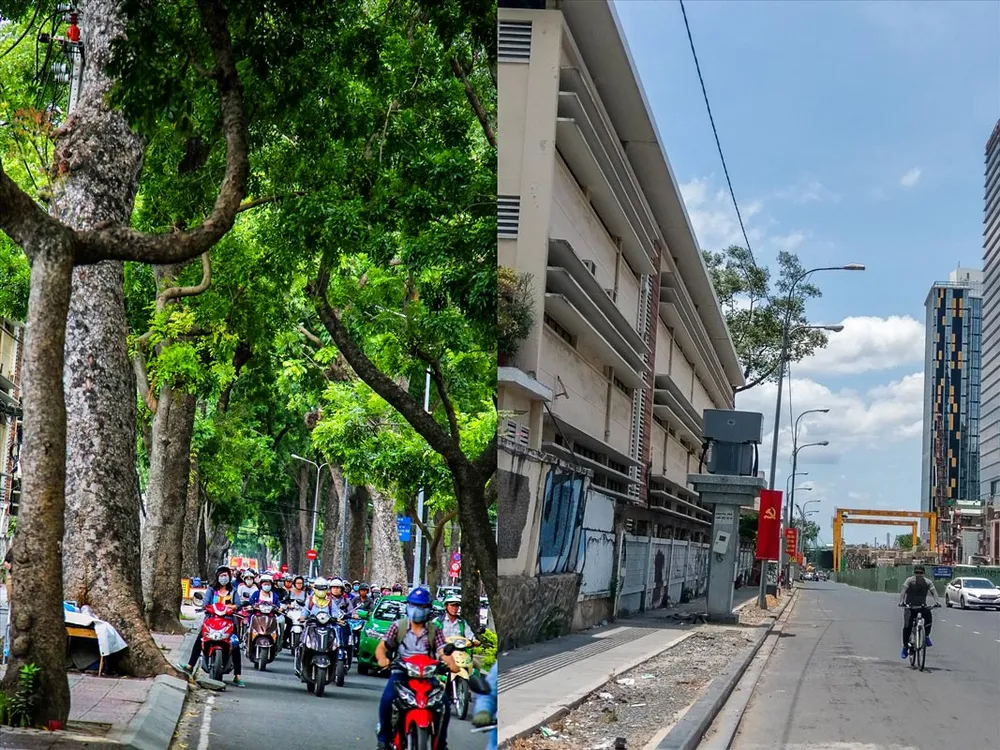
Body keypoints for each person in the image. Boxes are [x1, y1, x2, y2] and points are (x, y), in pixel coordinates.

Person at [375, 586, 453, 750]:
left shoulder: (434, 630)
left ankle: (441, 743)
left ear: (428, 609)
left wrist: (450, 663)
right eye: (413, 605)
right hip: (401, 673)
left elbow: (442, 651)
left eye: (422, 606)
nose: (417, 610)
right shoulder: (398, 626)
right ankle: (383, 738)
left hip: (427, 676)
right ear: (407, 606)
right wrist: (383, 658)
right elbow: (382, 647)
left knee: (444, 704)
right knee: (387, 700)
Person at [176, 565, 245, 687]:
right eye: (222, 575)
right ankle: (190, 665)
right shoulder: (211, 590)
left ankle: (237, 675)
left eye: (226, 575)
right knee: (200, 639)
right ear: (217, 577)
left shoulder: (233, 591)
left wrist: (232, 607)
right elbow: (205, 604)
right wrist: (207, 608)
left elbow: (238, 605)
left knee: (234, 644)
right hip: (211, 620)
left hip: (228, 621)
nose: (224, 578)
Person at [899, 565, 941, 659]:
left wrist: (937, 602)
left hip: (922, 606)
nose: (918, 575)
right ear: (914, 573)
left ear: (923, 574)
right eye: (917, 573)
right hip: (910, 606)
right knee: (907, 626)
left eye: (920, 573)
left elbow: (934, 592)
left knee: (929, 618)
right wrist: (902, 602)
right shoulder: (909, 581)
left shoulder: (928, 582)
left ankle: (926, 636)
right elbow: (903, 591)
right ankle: (905, 647)